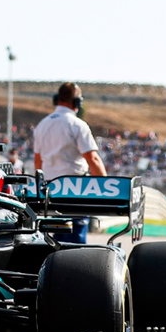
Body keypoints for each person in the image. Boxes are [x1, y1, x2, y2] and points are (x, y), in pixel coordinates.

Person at [33, 82, 105, 244]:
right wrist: (104, 184)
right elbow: (92, 158)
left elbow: (38, 160)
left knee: (55, 236)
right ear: (77, 102)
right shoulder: (77, 125)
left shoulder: (42, 125)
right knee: (75, 239)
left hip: (50, 190)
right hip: (74, 189)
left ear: (57, 99)